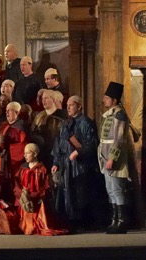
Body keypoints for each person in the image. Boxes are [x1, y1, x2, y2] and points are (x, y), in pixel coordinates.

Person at [51, 94, 100, 231]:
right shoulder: (65, 124)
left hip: (81, 165)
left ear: (79, 106)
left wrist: (79, 151)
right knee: (67, 193)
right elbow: (59, 144)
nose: (68, 108)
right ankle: (69, 221)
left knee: (80, 193)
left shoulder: (86, 122)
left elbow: (92, 143)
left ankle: (82, 222)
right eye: (67, 105)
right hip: (66, 164)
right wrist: (56, 162)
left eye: (71, 105)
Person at [99, 81, 136, 234]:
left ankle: (122, 221)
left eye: (107, 98)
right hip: (105, 155)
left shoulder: (119, 114)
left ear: (114, 100)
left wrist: (112, 158)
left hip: (114, 158)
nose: (104, 100)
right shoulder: (110, 114)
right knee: (111, 190)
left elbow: (118, 139)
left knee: (117, 189)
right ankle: (115, 220)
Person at [19, 142, 67, 235]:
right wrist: (23, 194)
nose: (25, 155)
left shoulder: (42, 169)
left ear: (35, 154)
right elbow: (18, 183)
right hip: (26, 199)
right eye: (24, 153)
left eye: (27, 153)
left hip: (38, 199)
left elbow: (46, 185)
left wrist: (39, 194)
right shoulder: (23, 169)